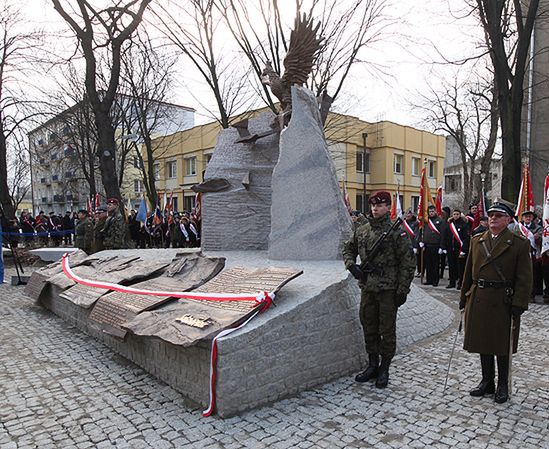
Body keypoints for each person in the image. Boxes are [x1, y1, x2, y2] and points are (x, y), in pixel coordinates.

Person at [459, 202, 532, 404]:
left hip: (503, 299)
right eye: (491, 215)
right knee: (483, 341)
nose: (493, 218)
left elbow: (525, 278)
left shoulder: (518, 243)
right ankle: (486, 381)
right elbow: (468, 272)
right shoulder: (477, 240)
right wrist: (463, 297)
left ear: (508, 219)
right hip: (480, 296)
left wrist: (519, 303)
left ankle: (502, 385)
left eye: (498, 216)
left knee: (502, 344)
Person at [343, 191, 415, 388]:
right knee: (369, 326)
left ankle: (385, 368)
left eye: (381, 205)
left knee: (387, 331)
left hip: (388, 290)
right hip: (368, 288)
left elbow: (407, 263)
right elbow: (348, 248)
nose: (376, 208)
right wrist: (351, 265)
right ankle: (372, 364)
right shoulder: (362, 230)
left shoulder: (396, 232)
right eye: (373, 205)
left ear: (388, 207)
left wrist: (402, 290)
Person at [418, 205, 448, 286]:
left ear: (435, 212)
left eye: (432, 211)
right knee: (428, 264)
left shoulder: (440, 221)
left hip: (436, 245)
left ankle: (435, 280)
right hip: (427, 245)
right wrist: (421, 241)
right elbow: (423, 232)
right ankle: (429, 279)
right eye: (430, 211)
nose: (431, 213)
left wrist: (442, 246)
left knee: (435, 264)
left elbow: (443, 234)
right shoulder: (426, 221)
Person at [447, 209, 470, 289]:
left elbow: (466, 238)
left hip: (459, 249)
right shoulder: (450, 224)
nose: (455, 216)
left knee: (460, 267)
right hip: (451, 249)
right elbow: (447, 236)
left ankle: (460, 283)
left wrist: (464, 250)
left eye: (457, 214)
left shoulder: (464, 225)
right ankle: (452, 282)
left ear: (460, 215)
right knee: (451, 266)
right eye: (454, 214)